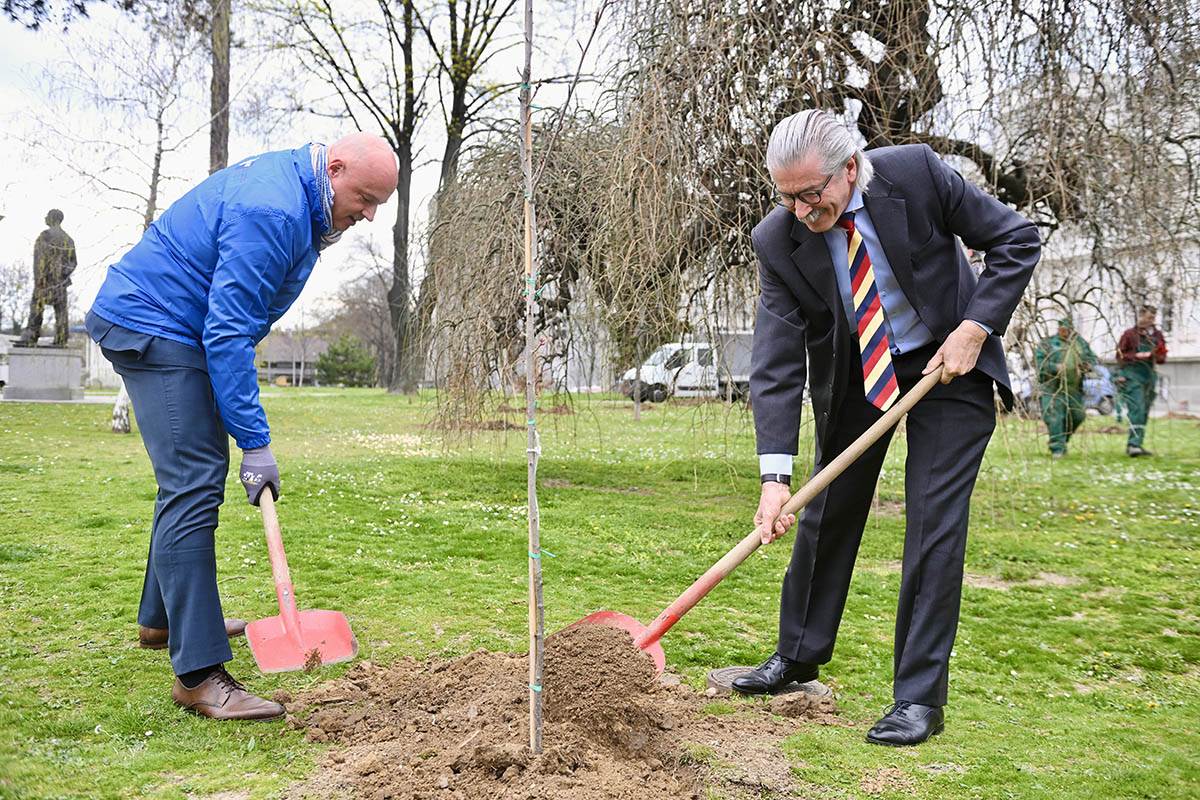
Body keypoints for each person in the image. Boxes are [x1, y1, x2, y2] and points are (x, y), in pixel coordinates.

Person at [734, 110, 1039, 746]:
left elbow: (1016, 239)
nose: (797, 210)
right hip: (859, 371)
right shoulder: (777, 240)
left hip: (947, 366)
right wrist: (773, 478)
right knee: (824, 510)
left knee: (933, 523)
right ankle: (797, 656)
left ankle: (917, 699)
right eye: (784, 195)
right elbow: (776, 363)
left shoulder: (917, 174)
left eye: (809, 194)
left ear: (850, 169)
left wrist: (975, 326)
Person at [86, 133, 397, 720]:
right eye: (364, 197)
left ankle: (163, 620)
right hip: (155, 323)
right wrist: (255, 443)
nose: (370, 214)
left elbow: (239, 318)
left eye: (379, 202)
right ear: (334, 168)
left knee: (190, 473)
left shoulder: (302, 202)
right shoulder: (272, 208)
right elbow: (227, 333)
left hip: (179, 325)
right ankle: (198, 674)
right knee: (196, 479)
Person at [1034, 318, 1098, 458]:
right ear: (1058, 329)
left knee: (1078, 416)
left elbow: (1092, 358)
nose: (1065, 332)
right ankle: (1057, 448)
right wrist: (1054, 367)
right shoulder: (1048, 343)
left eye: (1068, 330)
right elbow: (1039, 364)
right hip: (1052, 387)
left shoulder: (1079, 343)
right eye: (1062, 329)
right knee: (1055, 417)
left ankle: (1062, 441)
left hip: (1073, 388)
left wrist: (1087, 365)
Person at [17, 209, 77, 347]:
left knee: (36, 308)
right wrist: (62, 275)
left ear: (53, 218)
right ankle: (61, 339)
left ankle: (31, 336)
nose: (45, 218)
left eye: (47, 216)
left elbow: (38, 260)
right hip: (60, 283)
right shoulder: (68, 239)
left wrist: (41, 278)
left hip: (44, 282)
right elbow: (73, 263)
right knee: (61, 311)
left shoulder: (44, 236)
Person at [1115, 305, 1167, 457]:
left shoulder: (1157, 335)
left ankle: (1137, 443)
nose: (1151, 321)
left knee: (1144, 410)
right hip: (1132, 375)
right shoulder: (1129, 334)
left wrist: (1159, 355)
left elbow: (1162, 356)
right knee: (1136, 408)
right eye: (1149, 317)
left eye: (1153, 318)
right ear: (1141, 316)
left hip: (1149, 375)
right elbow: (1120, 356)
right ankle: (1133, 445)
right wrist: (1137, 356)